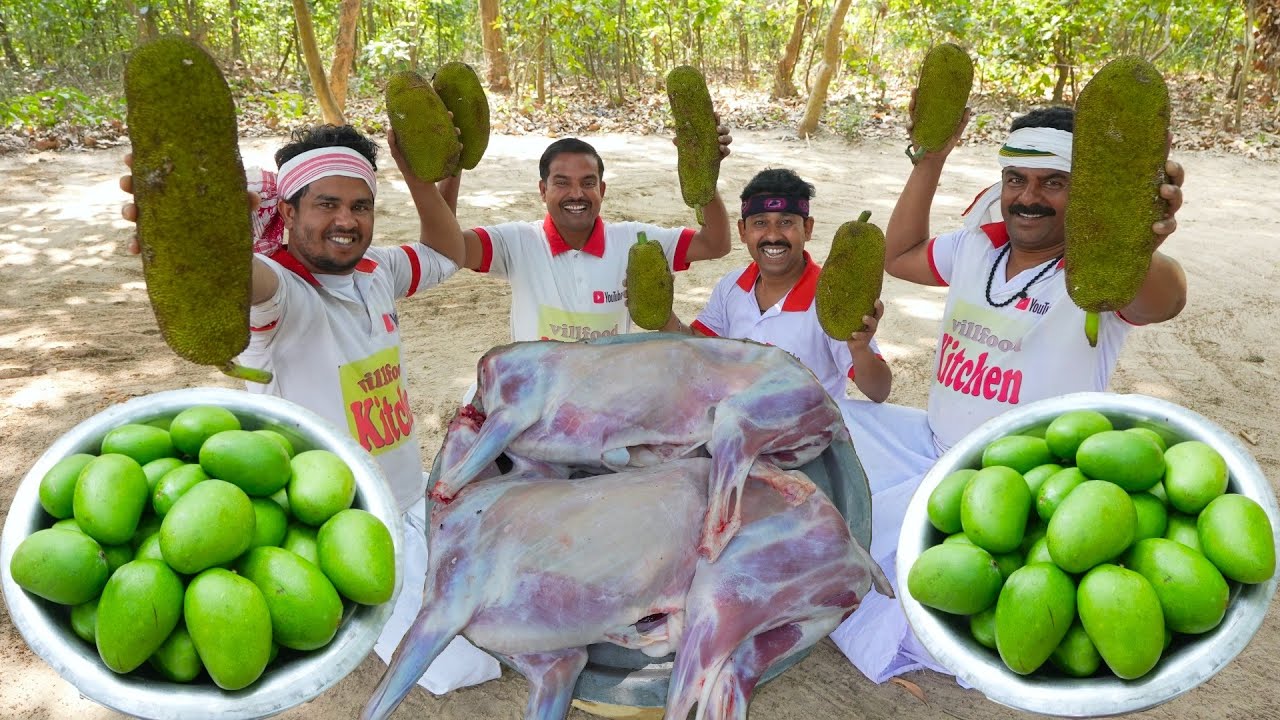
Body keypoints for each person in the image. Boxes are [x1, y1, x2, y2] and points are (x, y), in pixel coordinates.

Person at [121, 124, 502, 695]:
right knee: (461, 663)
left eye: (360, 206)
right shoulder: (281, 293)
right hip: (340, 519)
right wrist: (201, 233)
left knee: (513, 608)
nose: (346, 221)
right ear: (289, 212)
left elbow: (446, 251)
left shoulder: (375, 273)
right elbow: (244, 282)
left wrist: (423, 176)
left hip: (408, 493)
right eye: (326, 204)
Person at [828, 104, 1187, 683]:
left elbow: (1165, 299)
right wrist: (933, 156)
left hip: (1023, 483)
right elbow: (897, 256)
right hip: (930, 442)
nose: (1029, 198)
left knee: (925, 597)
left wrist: (1138, 238)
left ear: (1088, 193)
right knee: (820, 426)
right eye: (1016, 179)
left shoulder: (1099, 279)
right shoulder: (979, 248)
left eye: (1056, 183)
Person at [653, 167, 914, 490]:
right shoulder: (732, 286)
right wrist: (662, 312)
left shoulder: (832, 297)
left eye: (786, 223)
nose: (773, 235)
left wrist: (860, 347)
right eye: (760, 223)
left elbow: (879, 390)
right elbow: (698, 347)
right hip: (736, 436)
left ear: (808, 227)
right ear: (743, 230)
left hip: (807, 448)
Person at [433, 132, 734, 344]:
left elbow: (716, 243)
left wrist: (704, 168)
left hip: (605, 400)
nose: (576, 194)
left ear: (602, 191)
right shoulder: (517, 242)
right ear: (542, 190)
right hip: (538, 398)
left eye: (588, 183)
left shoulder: (635, 242)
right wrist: (453, 169)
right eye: (562, 183)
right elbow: (448, 250)